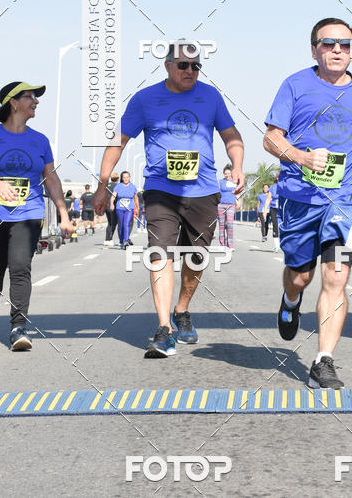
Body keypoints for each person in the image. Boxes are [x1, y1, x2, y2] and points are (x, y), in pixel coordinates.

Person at [93, 42, 244, 358]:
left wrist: (238, 165)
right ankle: (164, 329)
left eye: (196, 66)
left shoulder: (211, 96)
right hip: (161, 190)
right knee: (159, 252)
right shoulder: (145, 99)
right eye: (183, 65)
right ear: (167, 65)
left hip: (203, 191)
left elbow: (231, 136)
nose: (190, 71)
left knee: (196, 257)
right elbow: (118, 142)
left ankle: (182, 309)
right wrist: (103, 184)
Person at [264, 17, 352, 389]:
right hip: (300, 197)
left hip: (348, 197)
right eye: (329, 43)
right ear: (314, 49)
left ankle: (323, 360)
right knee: (301, 276)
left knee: (336, 275)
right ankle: (290, 300)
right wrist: (301, 157)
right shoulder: (295, 85)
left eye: (345, 45)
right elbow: (271, 138)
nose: (337, 50)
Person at [0, 82, 73, 349]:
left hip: (28, 213)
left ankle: (18, 327)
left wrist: (64, 213)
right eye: (30, 96)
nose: (36, 101)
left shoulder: (40, 140)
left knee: (20, 267)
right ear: (13, 102)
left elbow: (51, 178)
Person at [111, 171, 138, 249]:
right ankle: (121, 242)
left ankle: (126, 240)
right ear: (122, 178)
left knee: (126, 224)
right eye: (124, 177)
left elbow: (136, 198)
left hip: (129, 209)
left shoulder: (133, 187)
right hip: (119, 208)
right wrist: (112, 204)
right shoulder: (118, 186)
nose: (126, 179)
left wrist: (137, 208)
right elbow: (113, 196)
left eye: (127, 177)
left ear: (129, 178)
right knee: (121, 225)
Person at [217, 164, 239, 248]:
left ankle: (230, 245)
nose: (227, 175)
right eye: (225, 173)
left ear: (231, 173)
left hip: (231, 205)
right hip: (221, 205)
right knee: (221, 225)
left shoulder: (235, 182)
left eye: (228, 173)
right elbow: (217, 193)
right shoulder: (220, 181)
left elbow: (238, 193)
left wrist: (239, 202)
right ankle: (222, 244)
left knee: (230, 224)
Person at [103, 173, 119, 246]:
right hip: (113, 206)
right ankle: (110, 239)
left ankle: (106, 239)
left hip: (106, 206)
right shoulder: (117, 186)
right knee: (114, 223)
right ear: (118, 179)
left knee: (109, 223)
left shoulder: (106, 185)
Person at [269, 175, 281, 252]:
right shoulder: (272, 187)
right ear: (277, 178)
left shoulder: (286, 186)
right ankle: (276, 246)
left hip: (282, 208)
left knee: (284, 226)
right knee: (275, 226)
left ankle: (284, 244)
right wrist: (264, 211)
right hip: (273, 208)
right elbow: (268, 198)